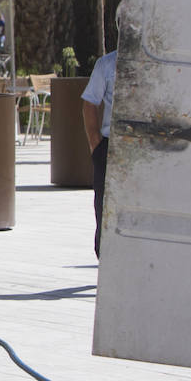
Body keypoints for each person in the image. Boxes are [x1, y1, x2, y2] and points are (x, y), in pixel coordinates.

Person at [82, 46, 117, 259]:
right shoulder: (107, 64)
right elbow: (89, 103)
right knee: (104, 206)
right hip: (110, 146)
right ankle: (104, 258)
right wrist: (95, 143)